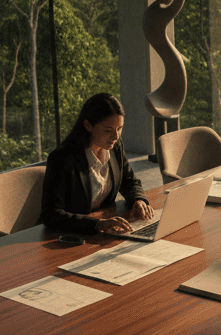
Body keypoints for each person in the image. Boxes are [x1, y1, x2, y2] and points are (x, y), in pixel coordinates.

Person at [42, 93, 155, 235]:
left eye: (119, 128)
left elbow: (128, 181)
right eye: (108, 130)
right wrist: (97, 224)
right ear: (88, 125)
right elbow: (51, 214)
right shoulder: (62, 158)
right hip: (70, 235)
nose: (116, 136)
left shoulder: (115, 146)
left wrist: (138, 200)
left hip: (105, 231)